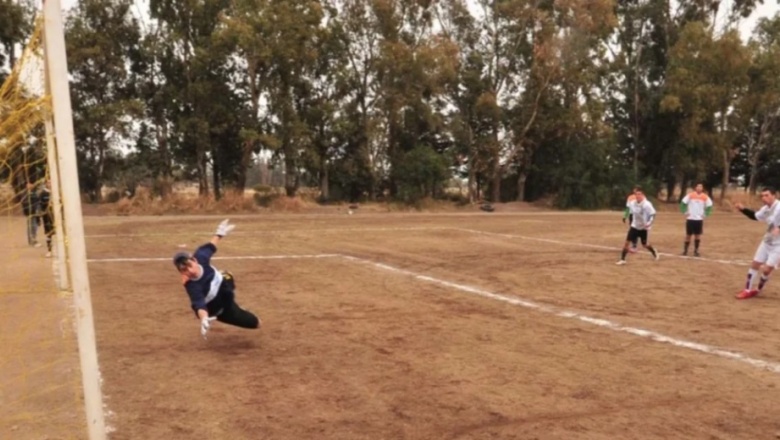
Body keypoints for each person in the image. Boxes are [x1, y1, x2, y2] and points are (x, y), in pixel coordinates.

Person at [173, 219, 261, 339]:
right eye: (184, 270)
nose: (190, 271)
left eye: (190, 265)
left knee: (227, 275)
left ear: (194, 260)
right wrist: (204, 318)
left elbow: (211, 246)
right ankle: (235, 309)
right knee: (257, 323)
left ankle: (232, 299)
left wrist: (220, 233)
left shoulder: (201, 256)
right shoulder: (192, 285)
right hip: (220, 307)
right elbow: (199, 304)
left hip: (223, 288)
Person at [734, 188, 780, 300]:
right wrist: (743, 209)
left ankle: (758, 289)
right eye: (762, 196)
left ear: (774, 195)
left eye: (767, 195)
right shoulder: (765, 209)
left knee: (766, 270)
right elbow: (755, 216)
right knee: (755, 264)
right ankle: (747, 290)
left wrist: (779, 228)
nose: (764, 198)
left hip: (778, 245)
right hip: (767, 241)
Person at [617, 188, 660, 265]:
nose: (638, 196)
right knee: (627, 243)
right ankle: (622, 259)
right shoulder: (632, 203)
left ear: (643, 195)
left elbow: (653, 214)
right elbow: (628, 209)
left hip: (643, 228)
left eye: (639, 194)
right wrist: (625, 216)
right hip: (634, 226)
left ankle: (654, 252)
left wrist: (649, 222)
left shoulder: (647, 204)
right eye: (636, 194)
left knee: (645, 244)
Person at [680, 183, 713, 257]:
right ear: (695, 188)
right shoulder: (690, 195)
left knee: (697, 235)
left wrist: (706, 214)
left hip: (699, 219)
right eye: (698, 186)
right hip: (690, 218)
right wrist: (685, 212)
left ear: (702, 188)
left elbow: (710, 206)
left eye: (701, 187)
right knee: (688, 235)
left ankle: (696, 250)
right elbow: (683, 203)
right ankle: (685, 250)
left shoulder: (705, 197)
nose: (699, 188)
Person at [38, 179, 55, 258]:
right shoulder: (43, 193)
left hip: (56, 216)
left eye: (51, 182)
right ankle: (49, 250)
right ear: (46, 184)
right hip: (47, 217)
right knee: (48, 233)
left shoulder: (56, 192)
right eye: (48, 183)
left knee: (60, 232)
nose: (50, 184)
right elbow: (40, 205)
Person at [20, 182, 40, 247]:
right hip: (29, 212)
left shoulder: (34, 192)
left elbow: (37, 201)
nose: (30, 185)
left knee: (35, 225)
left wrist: (37, 209)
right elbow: (23, 202)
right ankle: (32, 240)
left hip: (35, 212)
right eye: (29, 184)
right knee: (32, 226)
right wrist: (28, 210)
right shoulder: (25, 193)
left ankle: (33, 239)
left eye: (31, 184)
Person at [622, 186, 640, 253]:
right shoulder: (630, 197)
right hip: (632, 215)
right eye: (634, 189)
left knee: (635, 230)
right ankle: (634, 245)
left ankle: (634, 245)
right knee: (633, 230)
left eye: (636, 190)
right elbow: (628, 208)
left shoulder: (642, 197)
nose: (634, 190)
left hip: (638, 215)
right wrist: (625, 216)